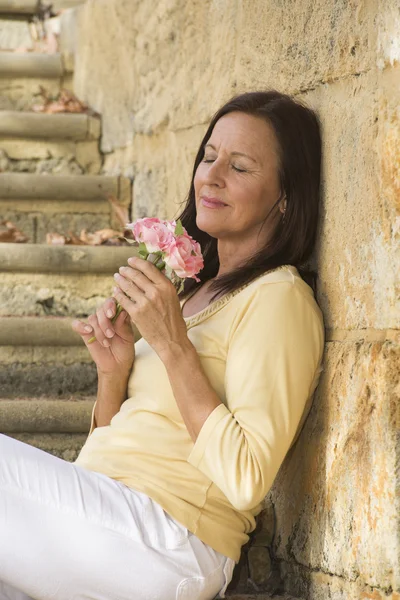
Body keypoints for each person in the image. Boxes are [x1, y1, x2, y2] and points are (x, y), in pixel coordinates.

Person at [0, 90, 325, 600]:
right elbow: (117, 451)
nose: (211, 176)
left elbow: (246, 479)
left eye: (240, 166)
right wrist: (114, 374)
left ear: (285, 196)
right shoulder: (192, 291)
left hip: (174, 540)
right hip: (109, 521)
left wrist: (173, 346)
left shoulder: (279, 299)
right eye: (209, 156)